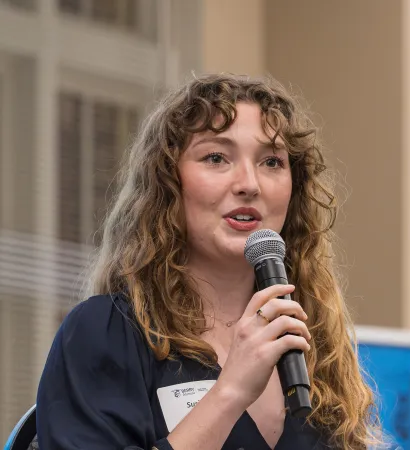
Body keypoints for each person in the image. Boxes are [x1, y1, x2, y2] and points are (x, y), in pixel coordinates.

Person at [36, 73, 385, 449]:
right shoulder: (105, 334)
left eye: (271, 161)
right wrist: (229, 392)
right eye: (216, 157)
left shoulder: (318, 353)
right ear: (169, 181)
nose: (249, 183)